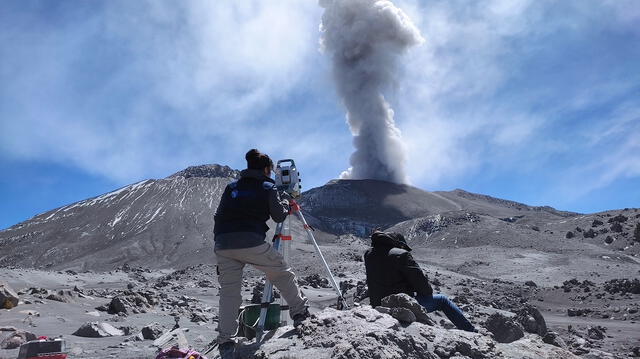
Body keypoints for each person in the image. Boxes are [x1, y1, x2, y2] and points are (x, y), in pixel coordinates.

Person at [213, 149, 309, 358]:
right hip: (250, 242)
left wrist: (220, 243)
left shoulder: (231, 187)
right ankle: (300, 313)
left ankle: (226, 342)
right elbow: (278, 216)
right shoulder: (268, 186)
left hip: (223, 244)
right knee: (282, 273)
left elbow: (218, 216)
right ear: (266, 169)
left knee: (229, 294)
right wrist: (285, 202)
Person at [363, 230, 476, 332]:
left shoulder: (369, 254)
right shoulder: (402, 255)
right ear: (400, 244)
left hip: (377, 306)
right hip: (401, 307)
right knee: (442, 300)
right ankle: (470, 331)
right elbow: (425, 289)